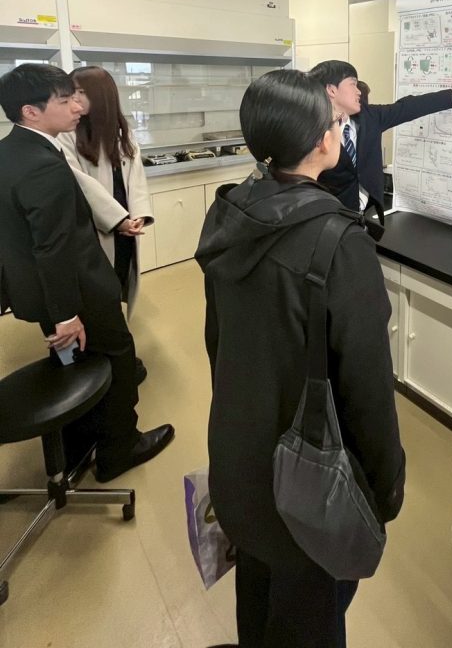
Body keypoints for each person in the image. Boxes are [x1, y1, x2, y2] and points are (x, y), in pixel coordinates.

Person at [196, 69, 405, 648]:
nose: (340, 129)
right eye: (335, 122)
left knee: (258, 599)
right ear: (321, 142)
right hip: (309, 482)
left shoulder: (228, 214)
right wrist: (385, 488)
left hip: (237, 455)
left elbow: (217, 342)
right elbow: (367, 387)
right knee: (310, 617)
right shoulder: (339, 243)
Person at [0, 64, 173, 481]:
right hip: (76, 291)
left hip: (40, 290)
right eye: (65, 101)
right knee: (117, 356)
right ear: (31, 111)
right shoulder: (43, 163)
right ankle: (120, 449)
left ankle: (80, 441)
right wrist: (66, 314)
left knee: (75, 362)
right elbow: (54, 246)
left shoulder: (11, 151)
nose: (77, 107)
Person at [306, 59, 452, 217]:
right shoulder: (310, 131)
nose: (359, 91)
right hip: (328, 217)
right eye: (353, 84)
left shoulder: (369, 117)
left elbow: (407, 107)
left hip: (365, 214)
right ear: (332, 90)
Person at [60, 67, 153, 314]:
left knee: (121, 269)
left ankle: (113, 320)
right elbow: (79, 181)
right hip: (97, 221)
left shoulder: (123, 131)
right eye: (71, 92)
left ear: (101, 95)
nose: (74, 98)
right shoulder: (67, 133)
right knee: (98, 280)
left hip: (126, 220)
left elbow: (136, 176)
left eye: (81, 92)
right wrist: (118, 220)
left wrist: (138, 214)